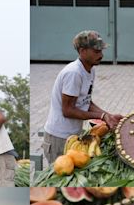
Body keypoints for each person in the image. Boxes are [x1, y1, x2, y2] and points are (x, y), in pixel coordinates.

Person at [42, 30, 123, 164]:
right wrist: (101, 117)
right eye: (96, 51)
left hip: (73, 136)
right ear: (82, 51)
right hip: (59, 138)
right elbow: (67, 110)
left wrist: (108, 115)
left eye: (101, 51)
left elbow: (86, 101)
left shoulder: (90, 70)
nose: (101, 55)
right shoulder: (74, 73)